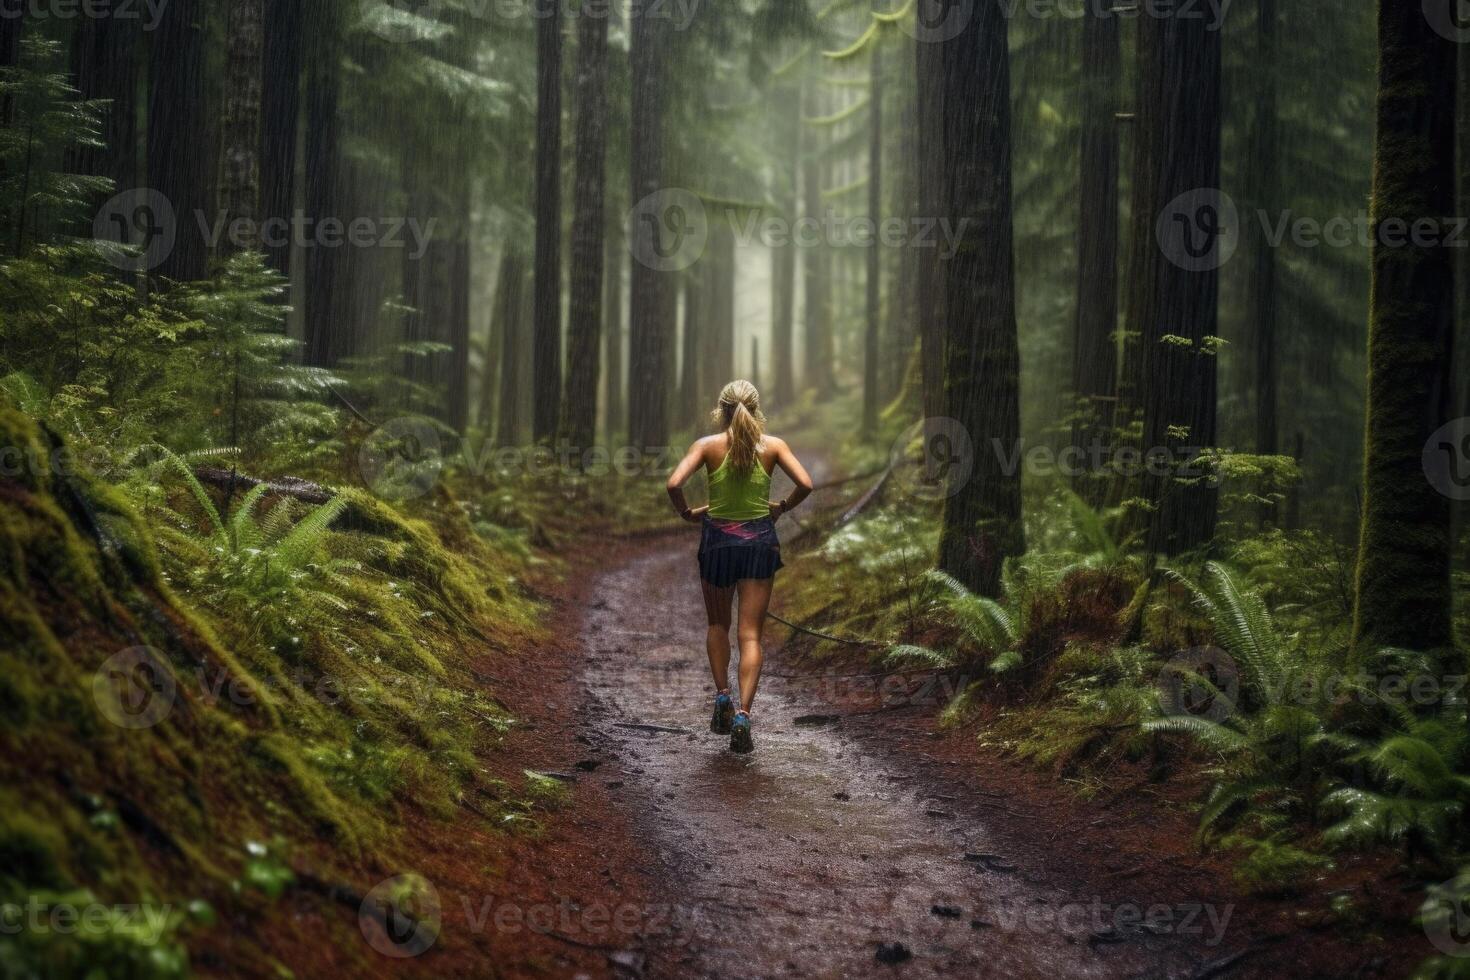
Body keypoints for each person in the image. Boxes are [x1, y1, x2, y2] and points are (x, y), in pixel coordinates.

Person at [666, 380, 813, 753]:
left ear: (722, 409)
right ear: (756, 409)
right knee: (750, 636)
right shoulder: (774, 446)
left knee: (718, 625)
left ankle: (721, 700)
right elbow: (806, 484)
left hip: (717, 545)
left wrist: (686, 513)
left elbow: (673, 483)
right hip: (759, 545)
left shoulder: (706, 446)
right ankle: (744, 716)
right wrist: (781, 508)